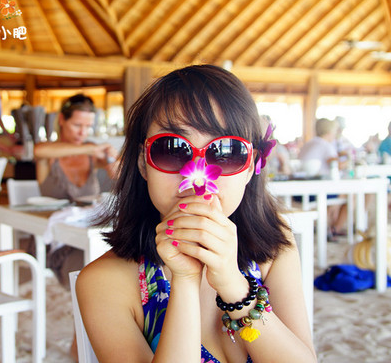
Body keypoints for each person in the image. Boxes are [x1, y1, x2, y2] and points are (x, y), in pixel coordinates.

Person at [76, 65, 316, 363]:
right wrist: (185, 280)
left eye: (226, 151)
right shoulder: (104, 281)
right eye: (172, 149)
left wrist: (233, 286)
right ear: (142, 164)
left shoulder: (274, 244)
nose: (198, 175)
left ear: (251, 166)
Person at [33, 93, 118, 360]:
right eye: (77, 125)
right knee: (91, 272)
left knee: (122, 264)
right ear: (62, 120)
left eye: (88, 127)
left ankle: (106, 339)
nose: (83, 132)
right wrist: (90, 149)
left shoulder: (93, 154)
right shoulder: (48, 153)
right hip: (60, 243)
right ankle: (80, 344)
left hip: (93, 236)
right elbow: (39, 151)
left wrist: (113, 159)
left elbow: (120, 179)